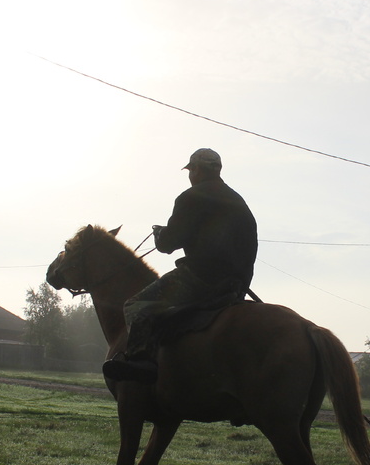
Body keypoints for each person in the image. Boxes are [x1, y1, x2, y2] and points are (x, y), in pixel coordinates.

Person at [103, 148, 257, 383]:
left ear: (195, 170)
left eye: (190, 170)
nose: (189, 175)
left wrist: (159, 234)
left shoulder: (190, 197)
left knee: (135, 306)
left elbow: (168, 244)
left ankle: (140, 363)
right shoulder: (238, 201)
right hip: (236, 286)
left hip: (199, 280)